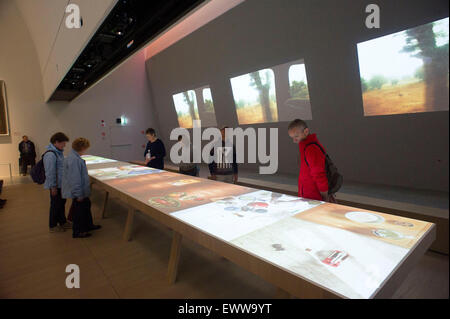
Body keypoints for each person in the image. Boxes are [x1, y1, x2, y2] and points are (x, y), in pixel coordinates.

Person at [288, 119, 335, 203]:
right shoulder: (305, 146)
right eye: (292, 137)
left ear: (306, 131)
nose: (294, 141)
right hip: (309, 195)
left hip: (314, 196)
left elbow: (319, 174)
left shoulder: (311, 149)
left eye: (296, 136)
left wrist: (325, 195)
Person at [62, 138, 101, 238]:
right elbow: (75, 179)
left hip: (82, 191)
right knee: (79, 212)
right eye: (85, 148)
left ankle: (88, 225)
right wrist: (78, 194)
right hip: (79, 192)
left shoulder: (74, 157)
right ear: (82, 148)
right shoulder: (74, 160)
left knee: (86, 206)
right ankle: (78, 231)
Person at [44, 132, 72, 232]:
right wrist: (53, 187)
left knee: (61, 204)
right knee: (55, 205)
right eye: (63, 143)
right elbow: (50, 172)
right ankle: (53, 226)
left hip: (61, 184)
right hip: (56, 186)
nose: (64, 145)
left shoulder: (58, 152)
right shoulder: (51, 155)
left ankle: (62, 222)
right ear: (56, 142)